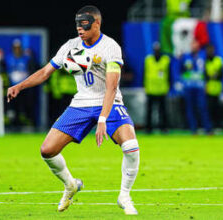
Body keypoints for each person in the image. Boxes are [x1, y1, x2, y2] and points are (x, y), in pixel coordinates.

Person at [7, 5, 140, 215]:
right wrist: (19, 86)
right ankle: (70, 184)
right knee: (47, 150)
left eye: (85, 24)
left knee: (131, 145)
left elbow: (112, 87)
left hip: (109, 101)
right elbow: (45, 72)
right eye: (78, 24)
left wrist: (103, 119)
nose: (80, 28)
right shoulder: (70, 46)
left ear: (97, 23)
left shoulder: (110, 47)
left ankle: (124, 195)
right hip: (81, 104)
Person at [180, 40, 212, 134]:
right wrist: (181, 81)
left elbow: (206, 71)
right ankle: (193, 129)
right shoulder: (185, 57)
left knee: (202, 107)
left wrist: (206, 84)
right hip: (189, 86)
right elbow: (180, 70)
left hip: (200, 86)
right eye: (193, 44)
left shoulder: (203, 56)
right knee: (190, 108)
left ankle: (207, 129)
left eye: (196, 45)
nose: (194, 46)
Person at [6, 39, 36, 127]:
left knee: (26, 105)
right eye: (15, 48)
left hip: (24, 87)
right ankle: (14, 123)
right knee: (13, 106)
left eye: (18, 48)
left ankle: (27, 122)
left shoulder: (26, 58)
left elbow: (31, 70)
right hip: (12, 86)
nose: (17, 50)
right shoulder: (9, 58)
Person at [144, 42, 170, 133]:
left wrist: (169, 86)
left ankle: (164, 128)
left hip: (162, 89)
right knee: (149, 110)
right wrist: (145, 86)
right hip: (151, 89)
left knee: (163, 110)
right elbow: (144, 74)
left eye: (158, 50)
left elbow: (169, 74)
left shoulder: (165, 60)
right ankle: (148, 128)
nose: (157, 51)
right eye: (155, 50)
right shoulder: (148, 60)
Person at [204, 44, 223, 129]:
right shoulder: (205, 61)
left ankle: (217, 126)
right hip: (208, 89)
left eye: (211, 50)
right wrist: (212, 76)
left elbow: (220, 74)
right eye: (208, 50)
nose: (210, 52)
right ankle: (208, 126)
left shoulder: (218, 60)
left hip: (217, 88)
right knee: (208, 109)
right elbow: (204, 75)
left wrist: (212, 76)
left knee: (217, 109)